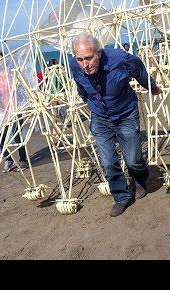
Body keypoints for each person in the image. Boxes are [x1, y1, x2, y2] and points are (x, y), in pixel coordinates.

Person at [68, 32, 161, 217]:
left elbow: (139, 69)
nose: (85, 64)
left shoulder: (120, 59)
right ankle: (121, 197)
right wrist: (88, 100)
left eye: (89, 58)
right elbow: (80, 85)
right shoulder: (73, 65)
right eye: (80, 59)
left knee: (133, 159)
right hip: (100, 116)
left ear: (99, 53)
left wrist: (152, 87)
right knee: (108, 162)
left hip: (125, 112)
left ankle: (140, 179)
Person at [0, 52, 29, 172]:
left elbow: (22, 91)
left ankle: (23, 160)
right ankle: (8, 160)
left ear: (4, 61)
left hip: (15, 109)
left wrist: (24, 108)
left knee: (16, 135)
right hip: (2, 111)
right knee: (0, 137)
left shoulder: (11, 73)